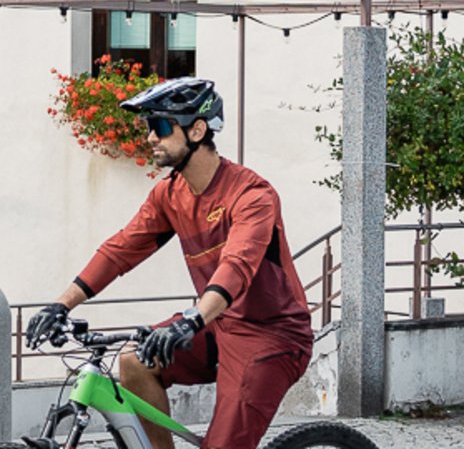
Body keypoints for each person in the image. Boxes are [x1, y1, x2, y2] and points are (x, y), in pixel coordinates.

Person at [26, 77, 314, 449]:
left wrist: (192, 319)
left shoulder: (252, 195)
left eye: (161, 127)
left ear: (197, 130)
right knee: (133, 361)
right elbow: (120, 250)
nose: (150, 138)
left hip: (271, 336)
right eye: (148, 128)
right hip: (217, 324)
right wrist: (60, 304)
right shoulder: (169, 194)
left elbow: (236, 266)